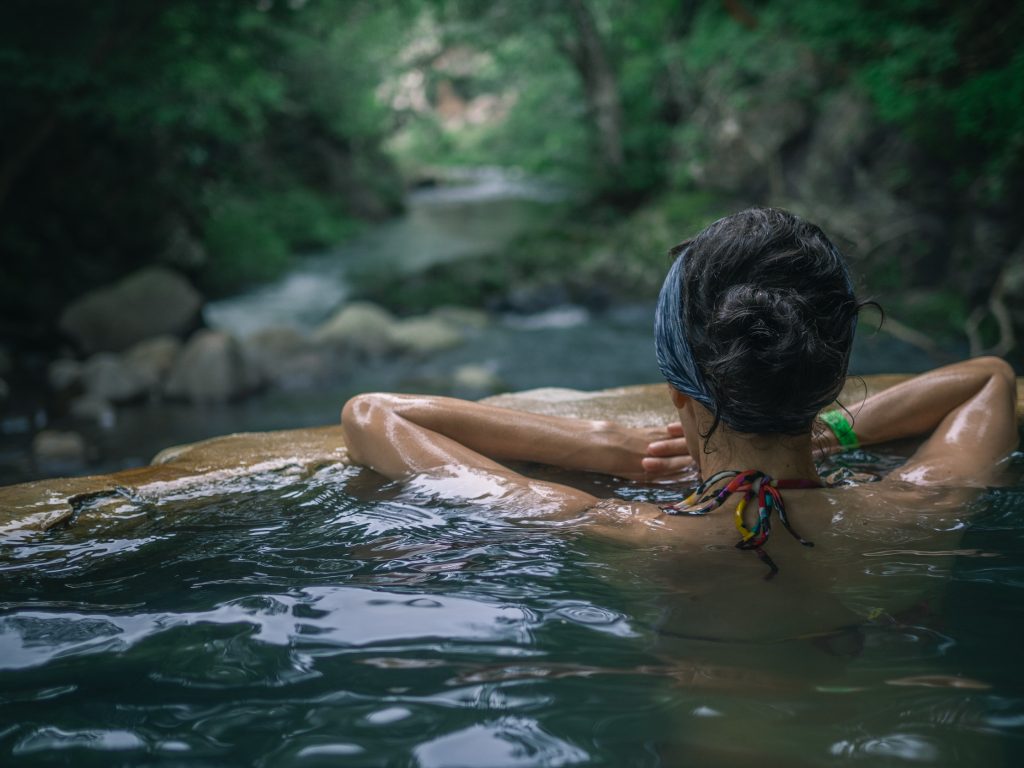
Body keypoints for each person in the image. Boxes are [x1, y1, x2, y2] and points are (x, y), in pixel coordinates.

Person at [341, 208, 1018, 597]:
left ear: (679, 395)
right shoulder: (917, 507)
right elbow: (989, 378)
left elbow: (373, 417)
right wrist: (825, 431)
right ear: (830, 374)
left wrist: (610, 445)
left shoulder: (622, 533)